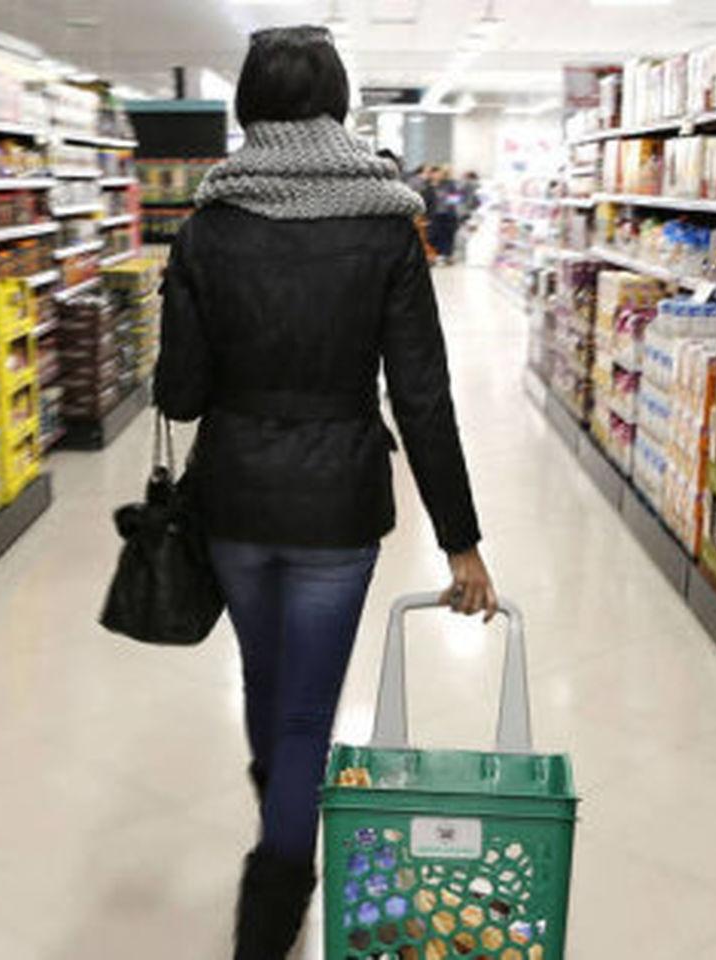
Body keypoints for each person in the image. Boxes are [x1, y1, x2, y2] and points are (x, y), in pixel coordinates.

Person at [153, 24, 495, 958]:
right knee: (307, 706)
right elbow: (422, 395)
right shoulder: (387, 225)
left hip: (233, 495)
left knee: (267, 683)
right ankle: (272, 904)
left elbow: (179, 394)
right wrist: (460, 540)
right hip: (339, 504)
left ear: (247, 105)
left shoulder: (207, 226)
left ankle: (281, 828)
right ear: (338, 104)